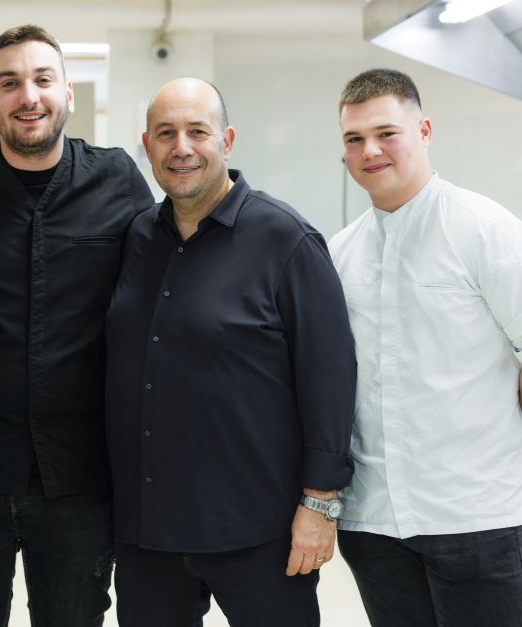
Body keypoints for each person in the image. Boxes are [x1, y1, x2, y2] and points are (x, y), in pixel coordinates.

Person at [0, 24, 153, 627]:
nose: (29, 96)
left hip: (79, 474)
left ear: (68, 92)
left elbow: (164, 288)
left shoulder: (117, 179)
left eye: (43, 79)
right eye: (10, 82)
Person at [329, 68, 522, 627]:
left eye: (386, 133)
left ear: (423, 131)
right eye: (354, 138)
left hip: (475, 520)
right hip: (374, 522)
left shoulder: (485, 230)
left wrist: (499, 445)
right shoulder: (340, 253)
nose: (370, 151)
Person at [104, 76, 356, 627]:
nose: (182, 148)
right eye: (165, 134)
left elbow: (330, 379)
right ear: (146, 146)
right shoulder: (136, 238)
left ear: (228, 140)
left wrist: (320, 505)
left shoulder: (286, 239)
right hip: (149, 534)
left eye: (198, 131)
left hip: (258, 531)